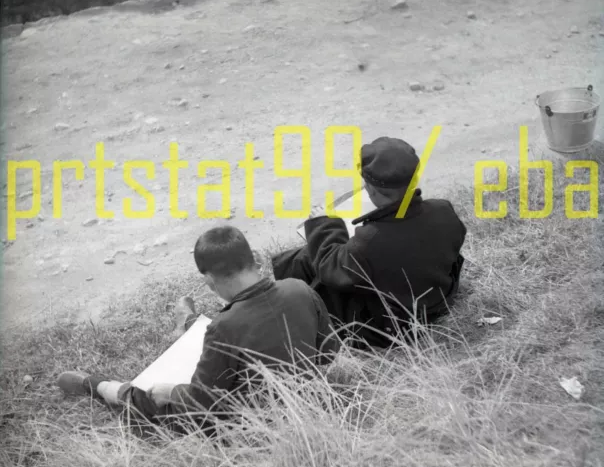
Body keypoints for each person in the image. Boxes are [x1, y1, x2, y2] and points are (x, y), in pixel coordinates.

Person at [57, 226, 340, 437]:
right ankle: (189, 320)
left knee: (148, 394)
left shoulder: (224, 326)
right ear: (254, 258)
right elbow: (329, 352)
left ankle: (96, 385)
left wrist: (173, 391)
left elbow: (202, 402)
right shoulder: (299, 287)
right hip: (306, 403)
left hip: (249, 424)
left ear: (208, 281)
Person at [272, 136, 467, 349]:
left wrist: (322, 223)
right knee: (313, 257)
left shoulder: (370, 241)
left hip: (395, 328)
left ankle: (291, 314)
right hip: (437, 301)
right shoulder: (443, 209)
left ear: (371, 189)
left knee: (309, 259)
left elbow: (329, 266)